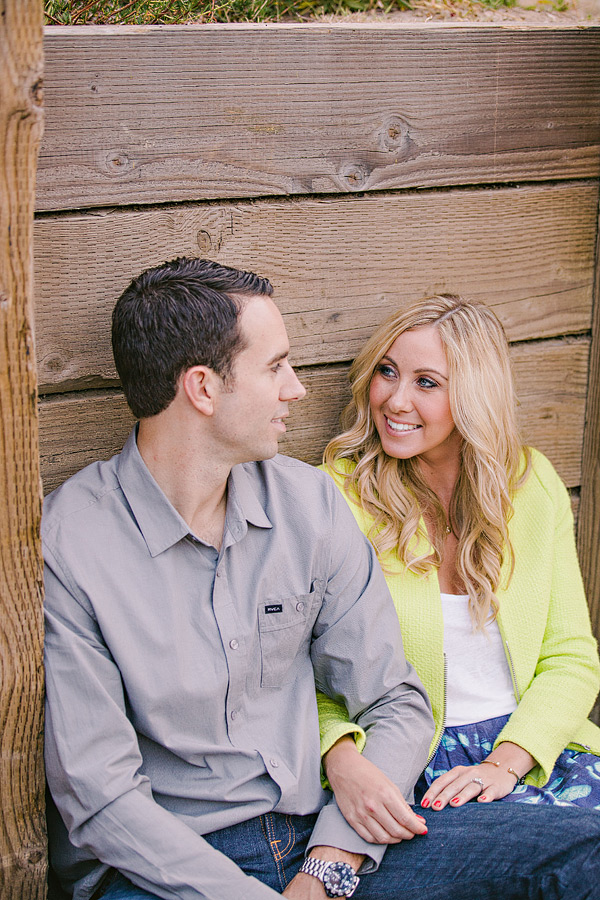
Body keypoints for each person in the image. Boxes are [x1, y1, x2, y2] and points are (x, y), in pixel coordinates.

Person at [43, 263, 600, 900]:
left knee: (585, 853)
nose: (297, 390)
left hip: (324, 833)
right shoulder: (73, 543)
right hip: (172, 864)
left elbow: (395, 698)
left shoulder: (307, 506)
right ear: (202, 387)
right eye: (275, 367)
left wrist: (330, 864)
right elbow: (101, 797)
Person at [318, 293, 600, 839]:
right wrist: (341, 755)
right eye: (387, 372)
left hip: (534, 749)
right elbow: (297, 675)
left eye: (427, 382)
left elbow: (571, 657)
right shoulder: (334, 497)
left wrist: (507, 763)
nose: (395, 400)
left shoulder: (529, 482)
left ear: (474, 395)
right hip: (409, 767)